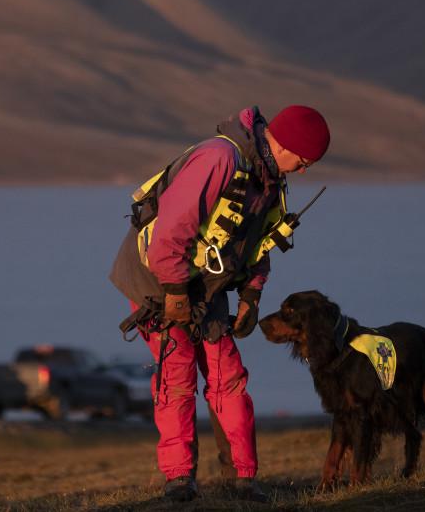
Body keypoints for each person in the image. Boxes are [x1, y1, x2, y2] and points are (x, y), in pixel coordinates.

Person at [110, 104, 330, 502]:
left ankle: (243, 480)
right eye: (304, 161)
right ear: (286, 145)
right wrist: (175, 294)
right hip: (157, 284)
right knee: (176, 380)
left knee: (228, 377)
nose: (304, 170)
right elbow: (168, 239)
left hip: (205, 286)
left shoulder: (268, 178)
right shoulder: (219, 159)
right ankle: (179, 482)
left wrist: (251, 294)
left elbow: (258, 243)